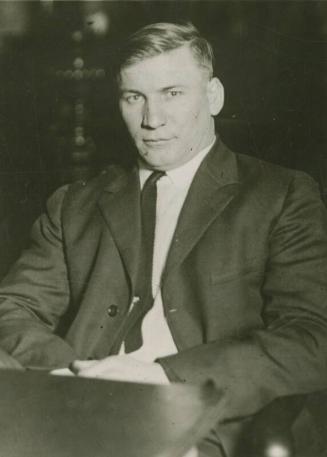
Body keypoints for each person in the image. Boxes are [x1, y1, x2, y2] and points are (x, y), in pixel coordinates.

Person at [0, 21, 327, 456]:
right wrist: (71, 375)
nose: (152, 120)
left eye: (173, 93)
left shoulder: (280, 195)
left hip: (203, 421)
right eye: (135, 98)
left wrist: (162, 376)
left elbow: (312, 337)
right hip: (73, 407)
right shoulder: (74, 205)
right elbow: (14, 309)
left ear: (213, 96)